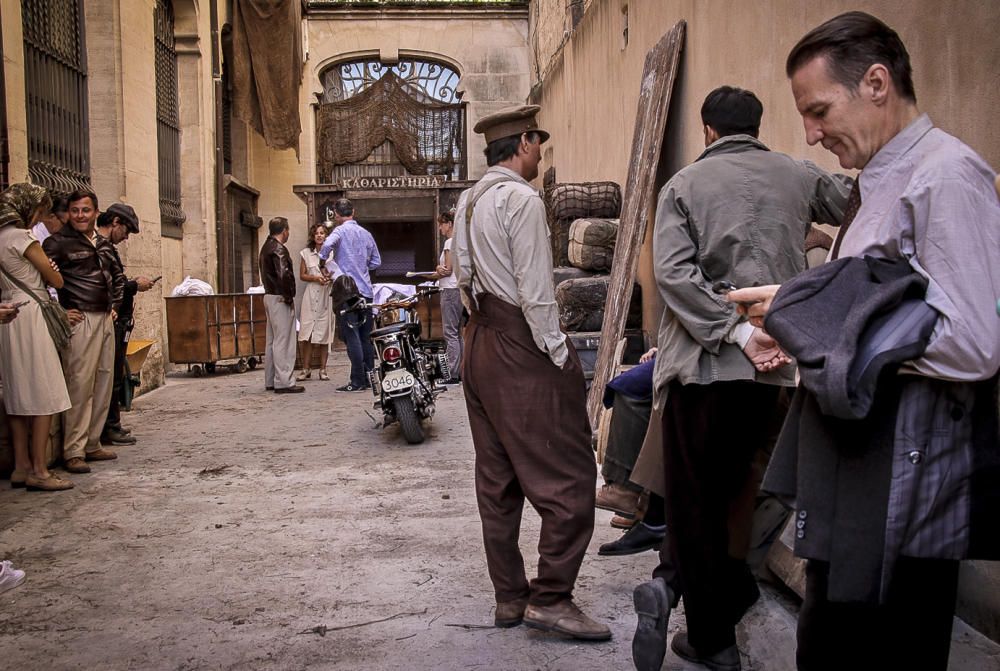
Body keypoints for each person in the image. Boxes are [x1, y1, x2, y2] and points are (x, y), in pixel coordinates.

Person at [728, 12, 1000, 671]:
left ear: (876, 83)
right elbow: (882, 310)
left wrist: (810, 315)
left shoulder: (945, 177)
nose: (812, 134)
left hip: (900, 497)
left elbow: (974, 343)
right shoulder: (881, 181)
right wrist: (796, 331)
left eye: (819, 111)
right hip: (857, 490)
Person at [630, 86, 851, 671]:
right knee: (738, 495)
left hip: (705, 367)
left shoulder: (682, 186)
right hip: (775, 372)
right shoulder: (799, 175)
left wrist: (737, 333)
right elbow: (861, 197)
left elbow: (675, 276)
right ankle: (704, 597)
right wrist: (822, 248)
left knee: (693, 500)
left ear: (707, 131)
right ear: (758, 125)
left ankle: (706, 633)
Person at [453, 104, 611, 641]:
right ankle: (552, 598)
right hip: (520, 341)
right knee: (569, 474)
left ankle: (510, 597)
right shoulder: (520, 199)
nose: (540, 152)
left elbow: (461, 278)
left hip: (479, 342)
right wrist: (557, 352)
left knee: (496, 479)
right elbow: (536, 290)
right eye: (537, 142)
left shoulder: (468, 200)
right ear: (522, 142)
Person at [0, 184, 73, 491]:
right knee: (44, 393)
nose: (39, 219)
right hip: (31, 314)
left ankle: (21, 467)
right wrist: (50, 268)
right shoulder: (23, 238)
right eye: (39, 211)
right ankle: (40, 471)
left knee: (16, 394)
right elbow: (55, 278)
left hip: (8, 313)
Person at [43, 189, 120, 475]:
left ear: (95, 212)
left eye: (85, 210)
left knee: (103, 380)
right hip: (80, 318)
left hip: (104, 316)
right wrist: (58, 311)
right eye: (75, 210)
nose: (80, 215)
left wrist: (115, 303)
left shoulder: (101, 243)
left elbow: (115, 275)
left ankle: (92, 442)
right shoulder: (56, 243)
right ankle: (73, 450)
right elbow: (38, 280)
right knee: (79, 382)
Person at [96, 203, 153, 446]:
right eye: (126, 231)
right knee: (111, 374)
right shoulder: (101, 247)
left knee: (115, 373)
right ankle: (109, 426)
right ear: (115, 222)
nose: (126, 237)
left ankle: (112, 424)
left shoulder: (106, 247)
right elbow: (106, 285)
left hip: (117, 318)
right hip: (111, 319)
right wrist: (134, 285)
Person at [318, 198, 381, 393]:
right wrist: (362, 268)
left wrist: (322, 262)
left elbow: (327, 245)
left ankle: (357, 380)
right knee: (365, 336)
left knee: (351, 335)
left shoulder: (339, 231)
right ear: (353, 211)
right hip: (365, 290)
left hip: (346, 291)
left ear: (336, 214)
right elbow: (376, 262)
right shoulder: (366, 233)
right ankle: (370, 377)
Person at [259, 217, 302, 394]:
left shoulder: (265, 247)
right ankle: (284, 381)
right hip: (279, 297)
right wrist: (289, 295)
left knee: (272, 341)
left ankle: (271, 379)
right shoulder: (278, 249)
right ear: (284, 230)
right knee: (284, 341)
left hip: (269, 295)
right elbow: (283, 274)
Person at [425, 211, 462, 384]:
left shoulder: (449, 242)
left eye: (441, 224)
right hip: (459, 289)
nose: (440, 228)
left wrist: (435, 272)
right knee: (457, 332)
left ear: (449, 224)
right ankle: (460, 369)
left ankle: (453, 372)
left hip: (449, 290)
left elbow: (448, 269)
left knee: (450, 332)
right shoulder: (461, 241)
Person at [297, 222, 333, 381]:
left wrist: (329, 277)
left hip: (326, 294)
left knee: (325, 332)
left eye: (322, 233)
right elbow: (302, 275)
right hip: (311, 295)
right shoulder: (306, 253)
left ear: (326, 236)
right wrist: (315, 278)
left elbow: (337, 271)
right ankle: (306, 368)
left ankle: (323, 369)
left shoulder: (332, 253)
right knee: (307, 333)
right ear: (313, 236)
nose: (319, 235)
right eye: (317, 233)